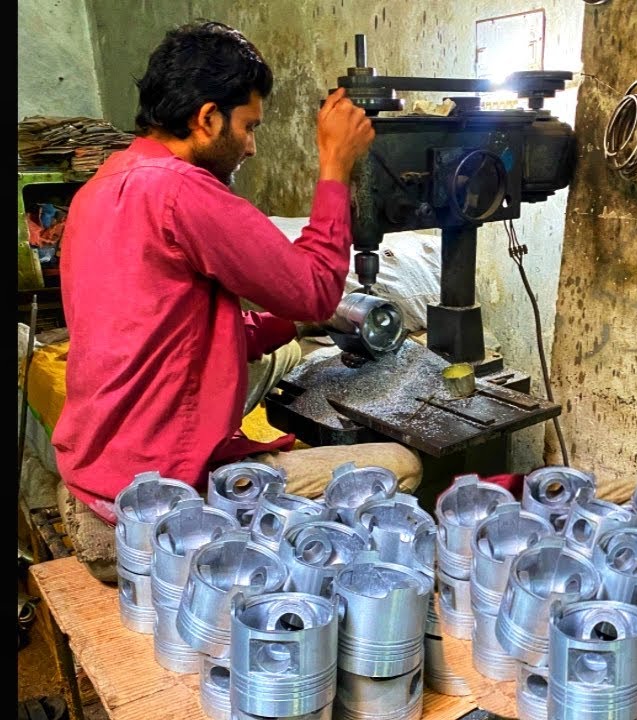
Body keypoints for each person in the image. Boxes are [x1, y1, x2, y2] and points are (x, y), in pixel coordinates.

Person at [52, 21, 420, 579]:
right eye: (248, 126)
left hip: (94, 467)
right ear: (207, 119)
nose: (250, 145)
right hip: (157, 499)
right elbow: (316, 290)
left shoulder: (100, 188)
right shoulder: (181, 191)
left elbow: (181, 332)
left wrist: (293, 325)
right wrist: (335, 165)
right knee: (400, 464)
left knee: (286, 362)